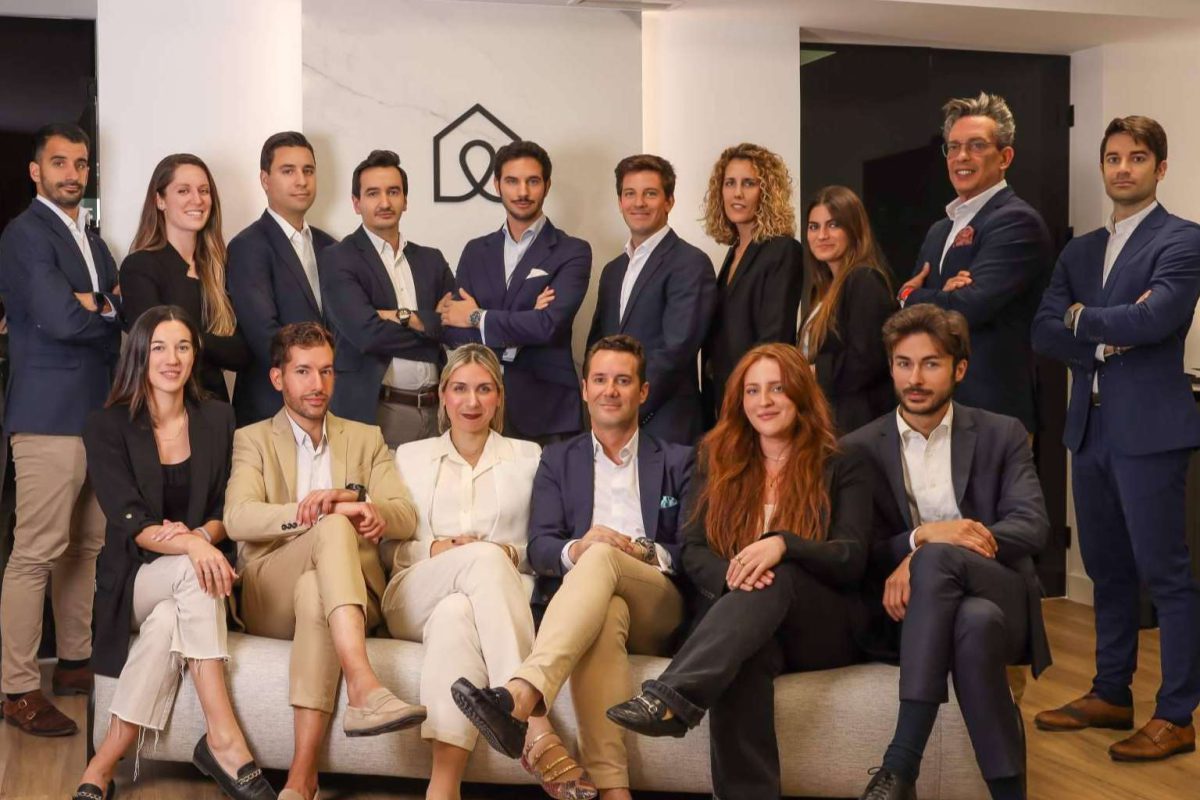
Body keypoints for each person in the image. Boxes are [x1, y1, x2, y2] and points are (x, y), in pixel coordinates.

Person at [605, 343, 872, 800]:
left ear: (801, 393)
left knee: (779, 572)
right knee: (743, 659)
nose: (764, 401)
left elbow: (851, 557)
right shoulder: (716, 458)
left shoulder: (843, 461)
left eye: (777, 389)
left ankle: (671, 695)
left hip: (820, 624)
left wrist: (783, 545)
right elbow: (693, 550)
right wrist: (737, 576)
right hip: (745, 622)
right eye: (752, 390)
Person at [451, 334, 694, 800]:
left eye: (623, 381)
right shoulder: (558, 459)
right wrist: (578, 549)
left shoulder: (679, 460)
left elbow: (693, 550)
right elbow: (541, 546)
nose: (610, 391)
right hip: (593, 603)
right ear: (584, 389)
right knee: (605, 610)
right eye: (600, 380)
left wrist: (637, 550)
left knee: (604, 555)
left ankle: (522, 695)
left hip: (658, 604)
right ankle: (614, 789)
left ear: (643, 391)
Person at [1032, 115, 1200, 762]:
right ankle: (1110, 693)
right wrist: (1106, 334)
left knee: (1166, 575)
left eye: (1137, 157)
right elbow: (1044, 331)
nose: (1123, 168)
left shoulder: (1182, 239)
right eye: (1113, 158)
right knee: (1107, 569)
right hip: (1090, 427)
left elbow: (1156, 319)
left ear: (1161, 167)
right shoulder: (1078, 252)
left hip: (1150, 431)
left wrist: (1082, 320)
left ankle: (1177, 714)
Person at [842, 305, 1050, 800]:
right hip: (910, 611)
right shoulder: (858, 448)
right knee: (974, 624)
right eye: (904, 363)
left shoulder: (1001, 433)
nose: (915, 378)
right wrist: (923, 537)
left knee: (939, 562)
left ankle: (901, 763)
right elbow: (858, 548)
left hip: (998, 588)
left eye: (931, 363)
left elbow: (1031, 525)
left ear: (960, 369)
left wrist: (926, 550)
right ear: (891, 367)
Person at [75, 306, 274, 800]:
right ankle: (223, 736)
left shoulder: (218, 418)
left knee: (170, 619)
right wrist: (192, 545)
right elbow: (131, 521)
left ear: (195, 355)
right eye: (159, 347)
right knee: (190, 571)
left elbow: (227, 507)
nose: (172, 359)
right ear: (140, 356)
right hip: (134, 581)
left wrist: (200, 537)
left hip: (192, 575)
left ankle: (101, 766)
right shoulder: (106, 425)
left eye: (183, 347)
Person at [224, 322, 425, 800]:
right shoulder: (253, 439)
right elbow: (237, 518)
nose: (317, 384)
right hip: (271, 592)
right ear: (278, 378)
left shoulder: (365, 438)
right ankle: (363, 684)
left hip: (348, 592)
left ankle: (302, 779)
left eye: (327, 371)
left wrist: (366, 507)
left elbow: (405, 515)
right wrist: (320, 511)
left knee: (318, 588)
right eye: (303, 372)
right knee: (332, 526)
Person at [382, 344, 592, 800]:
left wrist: (508, 553)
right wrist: (435, 548)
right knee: (479, 562)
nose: (471, 402)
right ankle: (534, 724)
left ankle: (443, 786)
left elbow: (542, 546)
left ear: (499, 396)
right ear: (442, 395)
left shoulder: (529, 457)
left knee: (457, 613)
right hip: (414, 592)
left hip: (495, 596)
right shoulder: (409, 456)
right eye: (459, 389)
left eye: (483, 389)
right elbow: (386, 547)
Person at [0, 123, 121, 737]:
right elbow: (61, 319)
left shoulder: (93, 241)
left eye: (80, 163)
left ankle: (76, 663)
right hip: (47, 416)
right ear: (36, 171)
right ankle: (18, 688)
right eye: (59, 163)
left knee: (87, 548)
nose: (72, 173)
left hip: (98, 416)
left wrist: (95, 304)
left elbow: (115, 311)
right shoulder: (24, 235)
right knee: (35, 553)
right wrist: (98, 308)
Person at [896, 92, 1052, 435]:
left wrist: (910, 295)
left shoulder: (1017, 221)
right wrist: (943, 296)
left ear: (1005, 157)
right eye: (953, 147)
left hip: (992, 414)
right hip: (934, 412)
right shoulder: (940, 230)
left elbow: (969, 307)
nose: (961, 157)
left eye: (977, 146)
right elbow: (910, 321)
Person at [438, 140, 592, 444]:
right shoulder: (475, 251)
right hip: (481, 410)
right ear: (497, 185)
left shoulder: (572, 251)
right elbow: (453, 331)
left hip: (548, 411)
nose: (523, 192)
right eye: (512, 181)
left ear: (547, 185)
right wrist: (525, 318)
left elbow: (547, 326)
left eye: (532, 181)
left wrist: (476, 316)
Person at [321, 149, 455, 449]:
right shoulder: (338, 258)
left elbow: (457, 327)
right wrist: (431, 331)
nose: (384, 202)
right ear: (356, 203)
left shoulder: (431, 260)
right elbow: (367, 334)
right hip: (376, 411)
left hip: (437, 412)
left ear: (405, 200)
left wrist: (404, 317)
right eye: (373, 193)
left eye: (393, 192)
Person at [587, 154, 716, 445]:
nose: (639, 203)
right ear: (620, 201)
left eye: (650, 194)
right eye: (630, 194)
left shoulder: (690, 263)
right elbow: (597, 346)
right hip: (610, 427)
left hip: (666, 425)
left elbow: (677, 350)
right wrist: (603, 410)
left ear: (669, 201)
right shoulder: (613, 271)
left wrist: (626, 409)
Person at [119, 153, 250, 401]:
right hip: (164, 408)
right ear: (160, 200)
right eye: (183, 191)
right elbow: (155, 346)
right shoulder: (139, 267)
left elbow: (241, 353)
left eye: (204, 190)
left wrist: (188, 339)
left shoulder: (221, 267)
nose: (197, 199)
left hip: (216, 409)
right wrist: (209, 343)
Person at [227, 131, 336, 426]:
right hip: (271, 409)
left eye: (308, 171)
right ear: (265, 180)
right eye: (288, 171)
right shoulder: (248, 246)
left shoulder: (330, 246)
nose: (301, 181)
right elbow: (264, 335)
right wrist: (314, 375)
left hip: (329, 407)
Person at [700, 143, 804, 427]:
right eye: (730, 183)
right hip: (723, 398)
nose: (737, 193)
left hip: (757, 399)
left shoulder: (783, 249)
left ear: (767, 192)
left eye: (749, 183)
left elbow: (775, 336)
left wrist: (748, 393)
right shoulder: (734, 251)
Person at [800, 185, 895, 435]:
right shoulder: (822, 290)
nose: (822, 235)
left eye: (833, 225)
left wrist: (814, 372)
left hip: (857, 427)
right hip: (825, 422)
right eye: (814, 227)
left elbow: (868, 359)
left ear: (853, 229)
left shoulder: (864, 280)